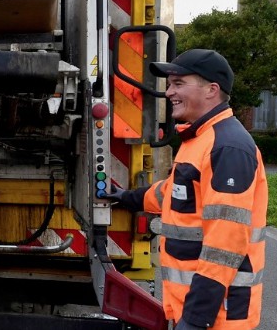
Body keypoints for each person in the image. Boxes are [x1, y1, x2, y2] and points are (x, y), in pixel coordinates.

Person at [108, 49, 267, 330]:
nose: (169, 93)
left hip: (218, 315)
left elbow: (225, 243)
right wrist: (125, 197)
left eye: (179, 83)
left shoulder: (227, 146)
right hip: (198, 307)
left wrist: (196, 319)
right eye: (169, 84)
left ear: (211, 90)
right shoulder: (200, 138)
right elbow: (172, 193)